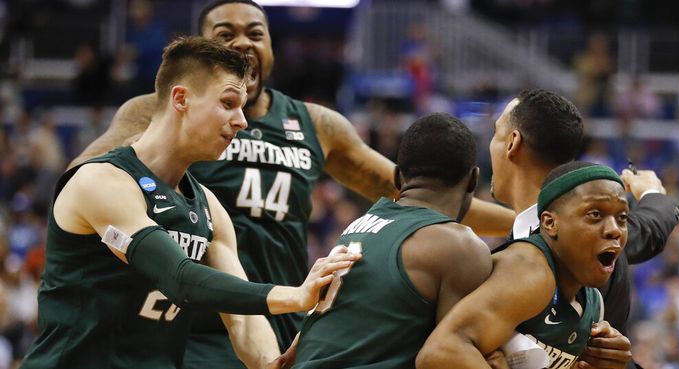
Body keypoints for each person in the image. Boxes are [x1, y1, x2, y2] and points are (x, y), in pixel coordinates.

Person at [68, 1, 516, 368]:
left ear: (271, 47)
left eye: (255, 33)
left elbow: (422, 194)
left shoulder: (315, 124)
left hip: (272, 314)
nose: (242, 42)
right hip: (188, 316)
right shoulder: (159, 112)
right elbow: (84, 179)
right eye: (225, 34)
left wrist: (524, 222)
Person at [19, 36, 359, 369]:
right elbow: (180, 279)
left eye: (241, 107)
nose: (241, 120)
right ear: (181, 98)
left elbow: (243, 322)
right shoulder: (102, 181)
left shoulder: (209, 207)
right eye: (228, 103)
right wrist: (296, 296)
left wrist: (270, 363)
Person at [478, 89, 679, 368]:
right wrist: (653, 194)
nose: (614, 231)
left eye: (495, 132)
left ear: (512, 142)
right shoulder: (597, 233)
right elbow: (650, 229)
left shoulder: (565, 247)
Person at [290, 113, 492, 368]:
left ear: (397, 178)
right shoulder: (460, 246)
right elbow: (449, 356)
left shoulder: (359, 225)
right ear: (474, 179)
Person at [417, 162, 633, 369]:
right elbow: (440, 352)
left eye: (622, 217)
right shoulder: (530, 270)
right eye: (595, 214)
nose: (614, 230)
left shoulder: (594, 305)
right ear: (550, 223)